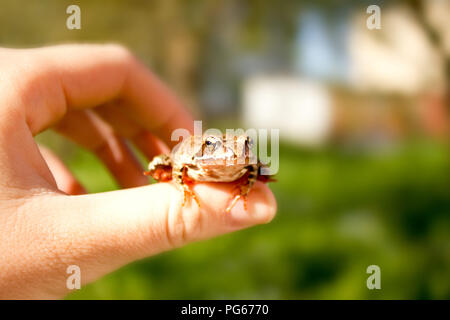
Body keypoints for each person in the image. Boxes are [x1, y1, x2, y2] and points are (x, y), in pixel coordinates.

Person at [0, 44, 276, 299]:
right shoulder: (197, 154)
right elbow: (179, 162)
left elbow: (251, 166)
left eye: (245, 145)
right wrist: (183, 186)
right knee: (161, 164)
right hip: (192, 162)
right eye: (216, 145)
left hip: (220, 173)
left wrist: (245, 185)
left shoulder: (244, 161)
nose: (235, 152)